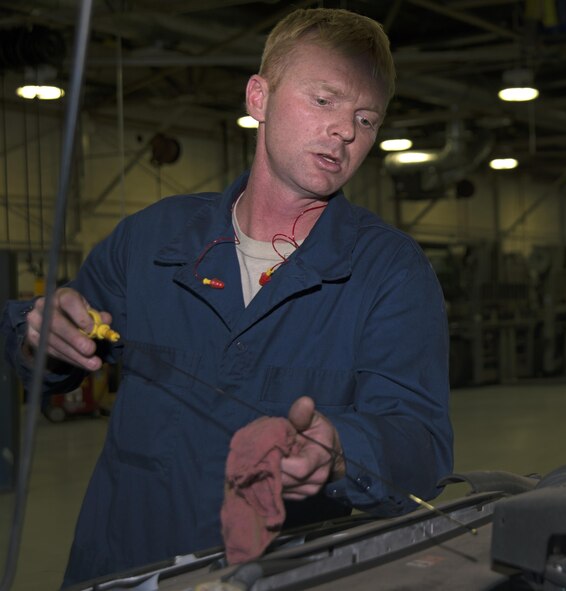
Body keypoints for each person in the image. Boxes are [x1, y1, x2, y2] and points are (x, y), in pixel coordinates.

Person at [0, 7, 453, 586]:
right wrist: (41, 332)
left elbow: (421, 442)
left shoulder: (389, 271)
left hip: (284, 573)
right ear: (259, 98)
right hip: (126, 566)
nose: (345, 130)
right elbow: (43, 352)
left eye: (366, 119)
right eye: (324, 101)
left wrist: (339, 448)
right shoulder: (152, 241)